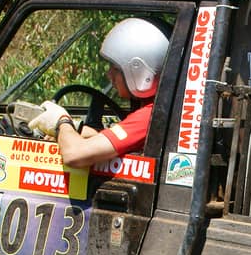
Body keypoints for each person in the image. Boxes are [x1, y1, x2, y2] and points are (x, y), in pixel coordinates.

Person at [27, 18, 168, 168]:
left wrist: (61, 121)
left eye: (114, 67)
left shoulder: (150, 117)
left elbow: (74, 155)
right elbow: (121, 139)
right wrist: (77, 131)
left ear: (139, 70)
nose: (109, 74)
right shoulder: (158, 107)